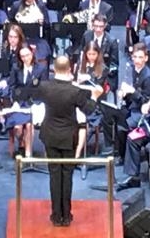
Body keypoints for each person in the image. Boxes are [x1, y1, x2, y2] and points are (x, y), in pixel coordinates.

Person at [34, 55, 104, 226]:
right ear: (70, 69)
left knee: (54, 175)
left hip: (50, 135)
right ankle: (66, 215)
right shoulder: (75, 91)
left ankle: (56, 215)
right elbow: (89, 110)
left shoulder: (44, 87)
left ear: (54, 69)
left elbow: (35, 95)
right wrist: (95, 96)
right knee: (67, 175)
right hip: (68, 137)